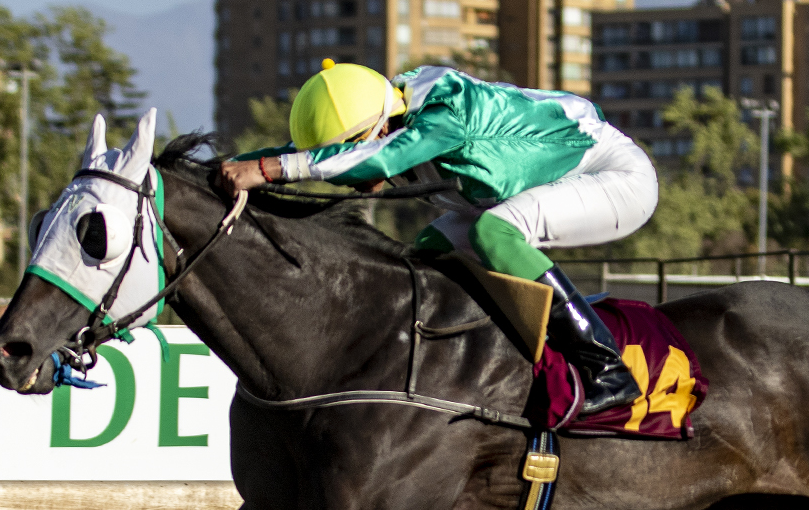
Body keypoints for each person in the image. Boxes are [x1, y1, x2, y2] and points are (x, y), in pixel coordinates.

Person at [219, 60, 657, 415]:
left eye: (348, 153)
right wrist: (222, 168)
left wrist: (269, 171)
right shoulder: (387, 114)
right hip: (537, 182)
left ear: (382, 128)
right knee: (428, 249)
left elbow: (376, 160)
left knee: (494, 232)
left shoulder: (444, 116)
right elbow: (306, 155)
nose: (347, 177)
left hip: (616, 177)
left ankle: (606, 368)